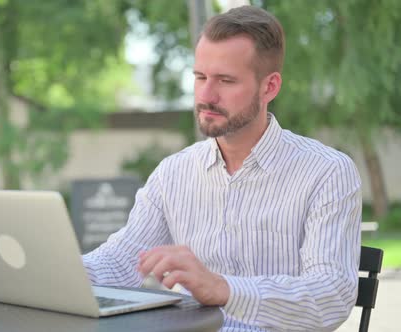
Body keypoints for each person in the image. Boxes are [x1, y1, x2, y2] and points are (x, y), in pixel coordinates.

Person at [82, 5, 361, 331]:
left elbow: (330, 295)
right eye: (200, 77)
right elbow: (122, 260)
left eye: (226, 80)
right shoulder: (174, 172)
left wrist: (222, 288)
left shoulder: (327, 172)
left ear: (269, 87)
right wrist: (48, 268)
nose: (206, 95)